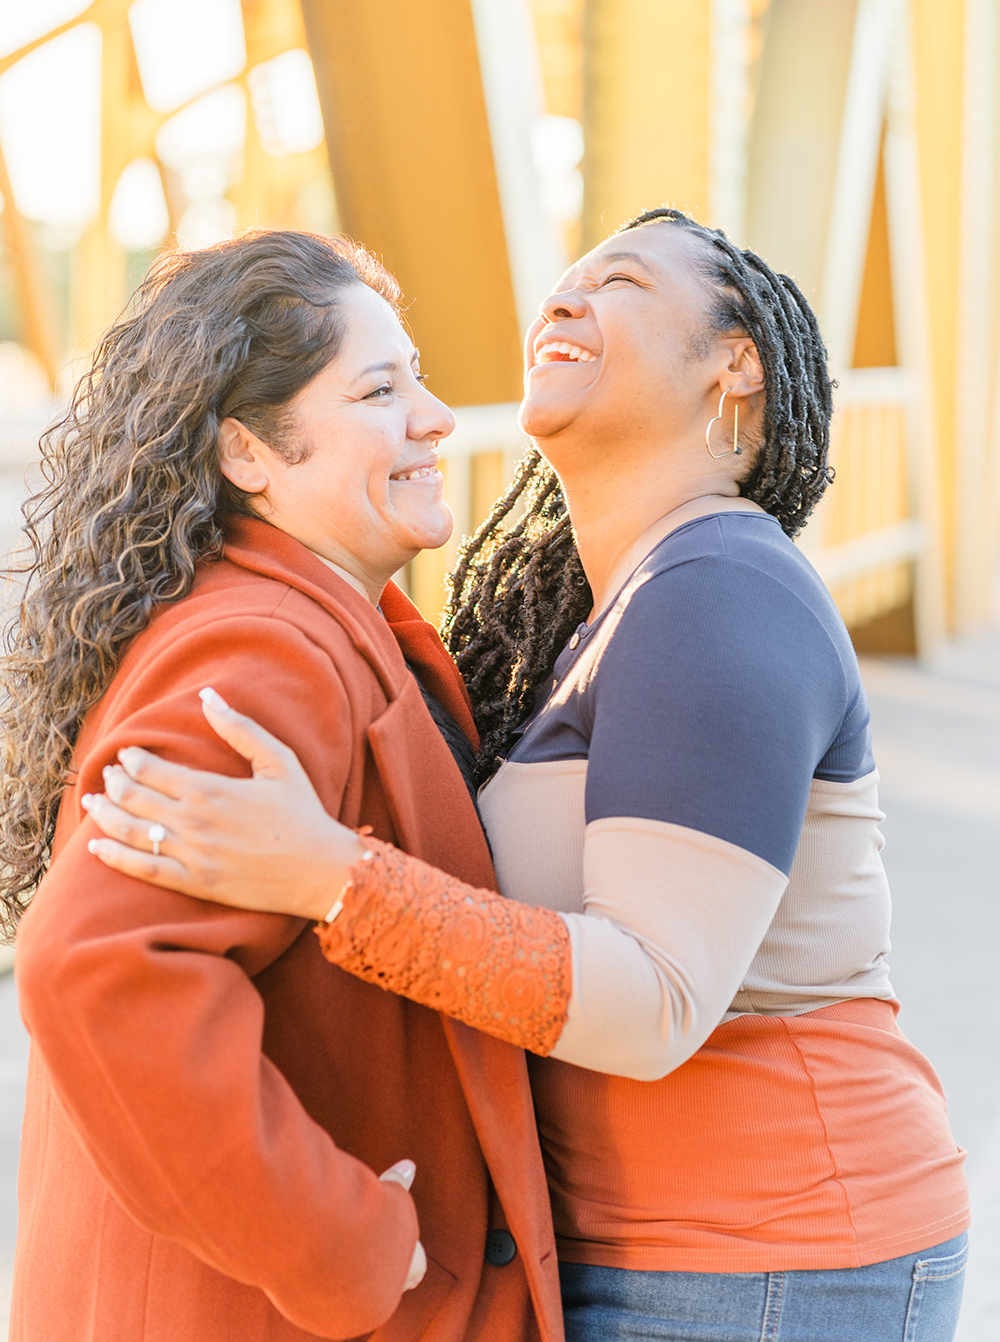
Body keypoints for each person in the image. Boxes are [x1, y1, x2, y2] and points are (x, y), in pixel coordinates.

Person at [84, 209, 970, 1342]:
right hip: (657, 1255)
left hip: (770, 1260)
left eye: (622, 282)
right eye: (564, 278)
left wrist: (333, 879)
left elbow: (654, 1003)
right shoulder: (620, 611)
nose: (563, 296)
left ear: (733, 364)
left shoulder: (718, 589)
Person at [0, 230, 563, 1342]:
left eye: (424, 381)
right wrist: (348, 1243)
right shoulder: (265, 653)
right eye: (379, 390)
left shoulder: (291, 623)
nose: (437, 419)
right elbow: (97, 969)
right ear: (249, 454)